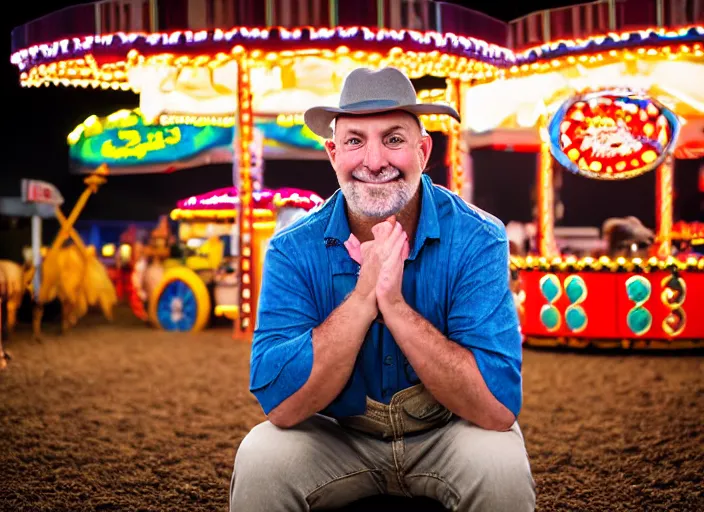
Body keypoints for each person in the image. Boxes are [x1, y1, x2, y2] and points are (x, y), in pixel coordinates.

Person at [230, 67, 535, 511]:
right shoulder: (292, 249)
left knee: (501, 465)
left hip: (447, 433)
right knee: (261, 457)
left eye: (393, 139)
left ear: (423, 149)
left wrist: (393, 304)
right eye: (355, 141)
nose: (374, 161)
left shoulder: (478, 237)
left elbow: (496, 407)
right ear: (333, 153)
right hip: (337, 435)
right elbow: (280, 406)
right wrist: (361, 299)